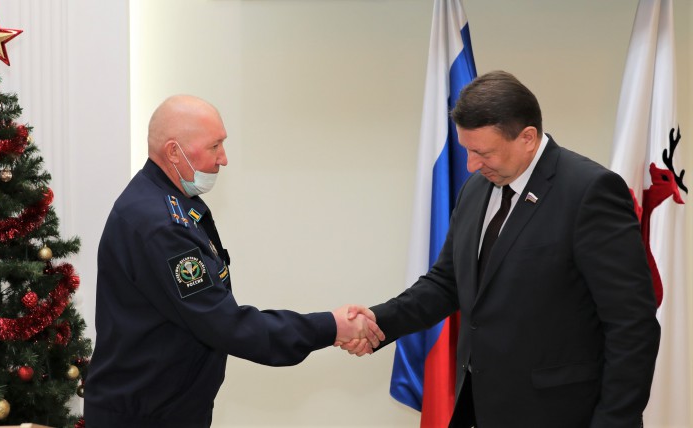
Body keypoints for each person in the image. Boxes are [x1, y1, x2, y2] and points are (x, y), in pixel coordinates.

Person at [340, 71, 660, 427]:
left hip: (558, 413)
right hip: (478, 406)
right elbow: (447, 283)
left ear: (527, 138)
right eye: (467, 150)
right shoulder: (475, 189)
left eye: (483, 152)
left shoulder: (589, 191)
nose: (471, 165)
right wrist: (377, 322)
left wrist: (615, 421)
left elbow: (632, 324)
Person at [84, 94, 383, 427]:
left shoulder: (168, 201)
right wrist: (332, 326)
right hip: (143, 418)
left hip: (162, 408)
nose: (223, 158)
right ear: (173, 152)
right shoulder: (161, 225)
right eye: (214, 146)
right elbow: (226, 325)